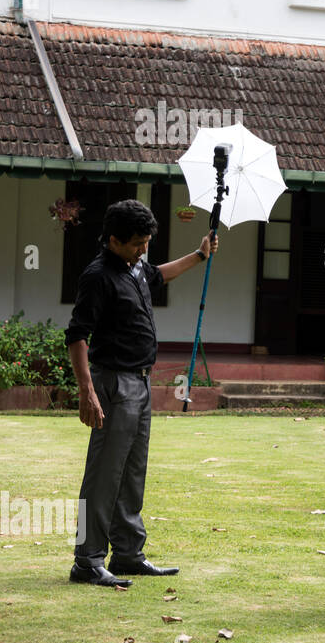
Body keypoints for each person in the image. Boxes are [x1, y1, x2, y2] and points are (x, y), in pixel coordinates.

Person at [65, 199, 218, 587]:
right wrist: (87, 391)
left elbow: (158, 275)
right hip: (112, 383)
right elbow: (77, 335)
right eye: (137, 243)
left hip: (141, 382)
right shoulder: (97, 276)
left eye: (147, 242)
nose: (143, 249)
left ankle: (128, 554)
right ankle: (86, 560)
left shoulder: (135, 267)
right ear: (113, 240)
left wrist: (200, 255)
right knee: (102, 475)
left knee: (132, 472)